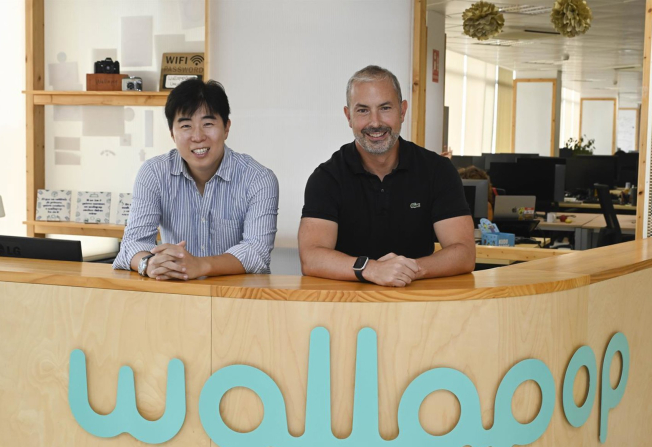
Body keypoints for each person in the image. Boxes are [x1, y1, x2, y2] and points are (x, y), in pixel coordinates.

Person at [299, 65, 475, 287]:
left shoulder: (438, 171)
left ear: (402, 111)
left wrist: (406, 270)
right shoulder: (327, 178)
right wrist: (372, 269)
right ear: (348, 116)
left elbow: (464, 253)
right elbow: (311, 258)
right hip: (347, 303)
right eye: (363, 110)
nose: (375, 122)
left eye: (385, 108)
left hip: (418, 300)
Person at [113, 79, 279, 280]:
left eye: (208, 124)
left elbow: (257, 252)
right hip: (177, 293)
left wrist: (200, 265)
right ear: (172, 134)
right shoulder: (154, 173)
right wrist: (149, 263)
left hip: (238, 296)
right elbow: (132, 244)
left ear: (226, 128)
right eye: (186, 126)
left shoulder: (258, 179)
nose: (198, 136)